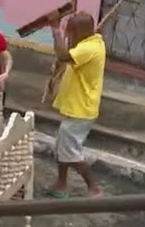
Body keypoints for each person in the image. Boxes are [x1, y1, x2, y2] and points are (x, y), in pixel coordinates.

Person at [45, 11, 106, 199]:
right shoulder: (91, 42)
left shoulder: (89, 49)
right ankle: (61, 184)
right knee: (62, 146)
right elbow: (66, 55)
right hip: (76, 106)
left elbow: (64, 56)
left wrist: (56, 31)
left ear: (80, 31)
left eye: (71, 31)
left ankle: (94, 187)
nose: (68, 35)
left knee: (70, 151)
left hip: (81, 109)